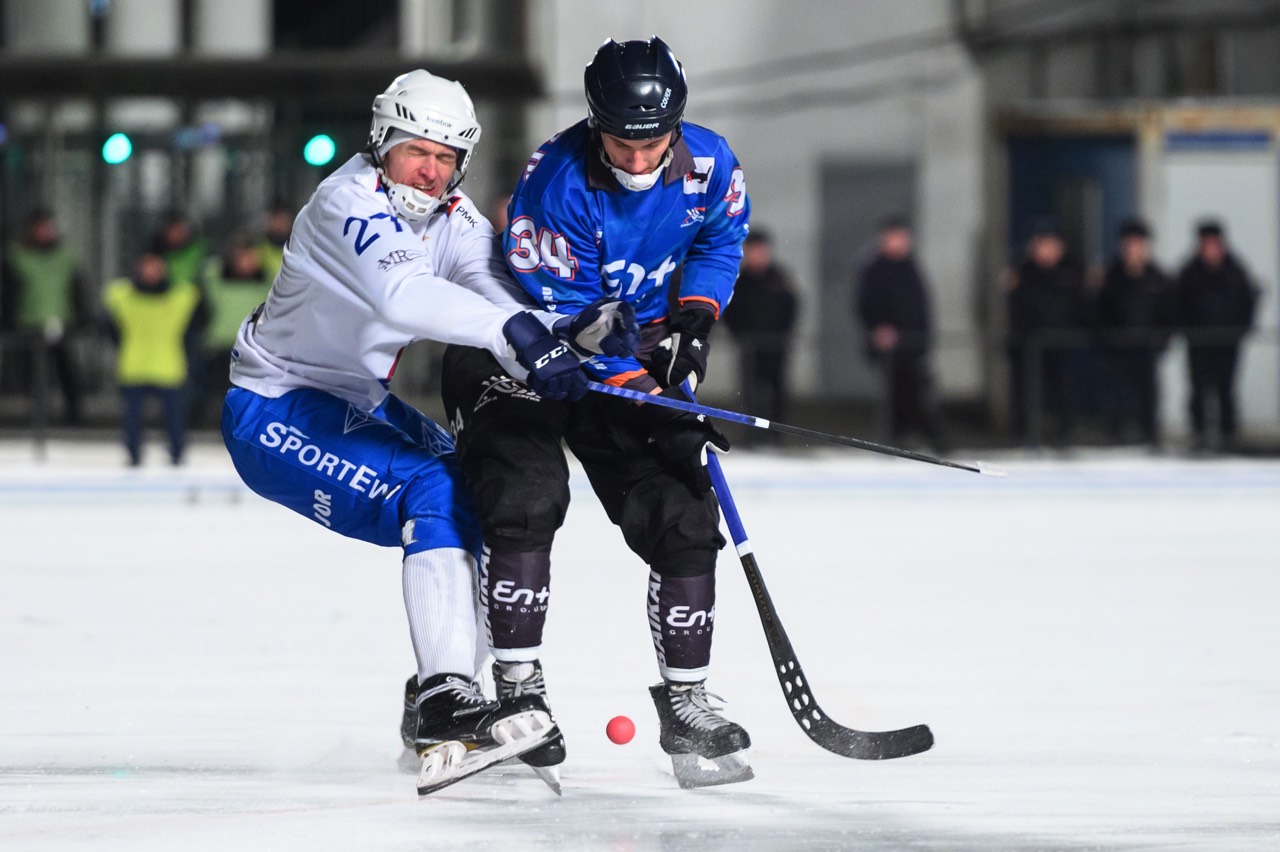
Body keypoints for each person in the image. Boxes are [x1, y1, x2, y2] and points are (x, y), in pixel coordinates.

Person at [219, 69, 637, 792]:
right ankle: (447, 696)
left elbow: (493, 289)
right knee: (433, 488)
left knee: (477, 485)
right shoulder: (343, 204)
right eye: (417, 150)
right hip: (276, 405)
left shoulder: (452, 217)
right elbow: (406, 297)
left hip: (352, 400)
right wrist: (519, 335)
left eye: (447, 158)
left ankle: (441, 697)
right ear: (381, 142)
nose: (431, 169)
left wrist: (569, 334)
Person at [439, 36, 754, 789]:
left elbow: (719, 243)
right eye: (622, 144)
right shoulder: (558, 180)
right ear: (594, 124)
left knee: (683, 512)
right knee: (527, 497)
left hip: (626, 353)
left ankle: (687, 705)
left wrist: (693, 325)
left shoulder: (711, 165)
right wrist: (649, 387)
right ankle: (515, 694)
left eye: (654, 144)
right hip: (522, 351)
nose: (639, 160)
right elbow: (568, 313)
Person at [103, 250, 205, 465]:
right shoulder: (120, 296)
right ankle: (134, 455)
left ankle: (177, 454)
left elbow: (196, 328)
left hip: (168, 365)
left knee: (175, 418)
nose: (151, 272)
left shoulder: (183, 296)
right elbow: (108, 327)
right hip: (135, 365)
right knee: (132, 419)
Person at [855, 217, 946, 451]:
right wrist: (878, 330)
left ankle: (917, 437)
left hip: (914, 343)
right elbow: (866, 305)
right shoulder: (874, 269)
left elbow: (920, 307)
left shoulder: (911, 267)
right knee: (901, 392)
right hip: (890, 347)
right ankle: (908, 438)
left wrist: (922, 337)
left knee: (914, 391)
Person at [1176, 220, 1257, 452]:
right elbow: (1178, 305)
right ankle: (1199, 435)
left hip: (1227, 343)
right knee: (1198, 390)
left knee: (1226, 390)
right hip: (1198, 342)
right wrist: (1188, 332)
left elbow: (1247, 304)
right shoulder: (1189, 273)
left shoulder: (1236, 271)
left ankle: (1228, 436)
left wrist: (1239, 332)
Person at [1005, 221, 1088, 447]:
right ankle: (1024, 436)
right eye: (1041, 244)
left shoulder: (1071, 271)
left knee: (1065, 391)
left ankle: (1066, 435)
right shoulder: (1023, 271)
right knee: (1026, 393)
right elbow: (1016, 309)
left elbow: (1081, 306)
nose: (1045, 249)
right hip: (1029, 344)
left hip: (1062, 343)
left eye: (1050, 244)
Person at [1, 208, 86, 425]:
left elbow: (77, 290)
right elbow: (10, 293)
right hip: (29, 321)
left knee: (66, 371)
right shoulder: (17, 257)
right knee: (34, 375)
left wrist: (82, 317)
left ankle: (73, 416)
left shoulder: (65, 257)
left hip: (60, 321)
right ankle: (38, 419)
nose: (45, 232)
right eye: (40, 228)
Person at [1094, 218, 1173, 448]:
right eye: (1129, 243)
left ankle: (1150, 437)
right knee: (1116, 396)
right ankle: (1115, 437)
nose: (1133, 249)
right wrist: (1107, 340)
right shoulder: (1111, 277)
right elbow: (1099, 311)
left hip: (1147, 349)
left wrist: (1160, 342)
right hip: (1118, 349)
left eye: (1138, 243)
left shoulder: (1158, 278)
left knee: (1148, 396)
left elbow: (1167, 313)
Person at [722, 227, 798, 446]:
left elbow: (791, 306)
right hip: (749, 347)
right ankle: (751, 437)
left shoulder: (779, 278)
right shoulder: (739, 281)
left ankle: (777, 436)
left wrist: (782, 335)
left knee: (778, 393)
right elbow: (729, 311)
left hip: (776, 346)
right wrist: (741, 336)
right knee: (750, 393)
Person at [198, 235, 273, 424]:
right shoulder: (217, 279)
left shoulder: (266, 283)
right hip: (221, 344)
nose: (246, 262)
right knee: (219, 392)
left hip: (253, 347)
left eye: (250, 257)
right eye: (241, 257)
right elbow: (208, 272)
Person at [258, 203, 295, 282]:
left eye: (283, 220)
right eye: (275, 220)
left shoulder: (299, 250)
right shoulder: (258, 250)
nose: (279, 225)